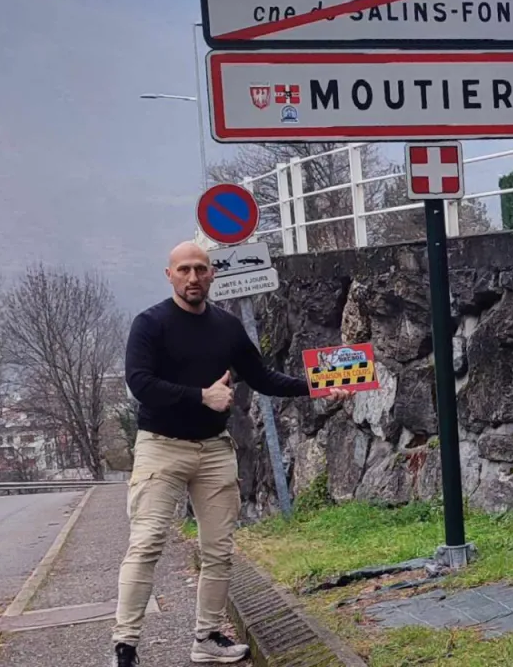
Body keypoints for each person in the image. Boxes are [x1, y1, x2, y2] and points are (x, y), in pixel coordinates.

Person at [112, 242, 351, 667]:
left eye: (201, 269)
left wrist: (317, 386)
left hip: (214, 452)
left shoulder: (226, 326)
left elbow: (262, 377)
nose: (192, 278)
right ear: (169, 274)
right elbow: (140, 384)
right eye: (183, 269)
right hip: (160, 448)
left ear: (212, 275)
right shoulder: (149, 324)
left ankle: (206, 638)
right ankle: (125, 646)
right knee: (146, 543)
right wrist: (201, 396)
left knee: (219, 549)